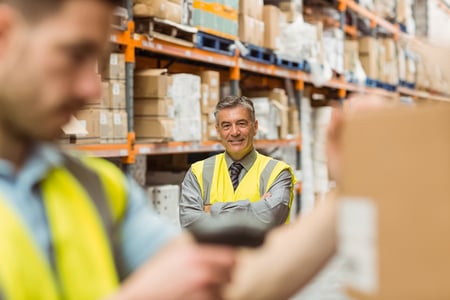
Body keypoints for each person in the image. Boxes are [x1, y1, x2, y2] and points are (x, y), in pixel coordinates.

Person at [0, 0, 235, 299]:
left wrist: (316, 224)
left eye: (98, 62)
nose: (92, 89)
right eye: (75, 55)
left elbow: (211, 279)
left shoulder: (91, 184)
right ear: (3, 36)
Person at [180, 95, 296, 228]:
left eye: (241, 124)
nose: (234, 132)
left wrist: (212, 210)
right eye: (226, 126)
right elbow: (189, 222)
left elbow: (269, 217)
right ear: (218, 131)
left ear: (255, 126)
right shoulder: (198, 172)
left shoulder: (278, 172)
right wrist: (255, 208)